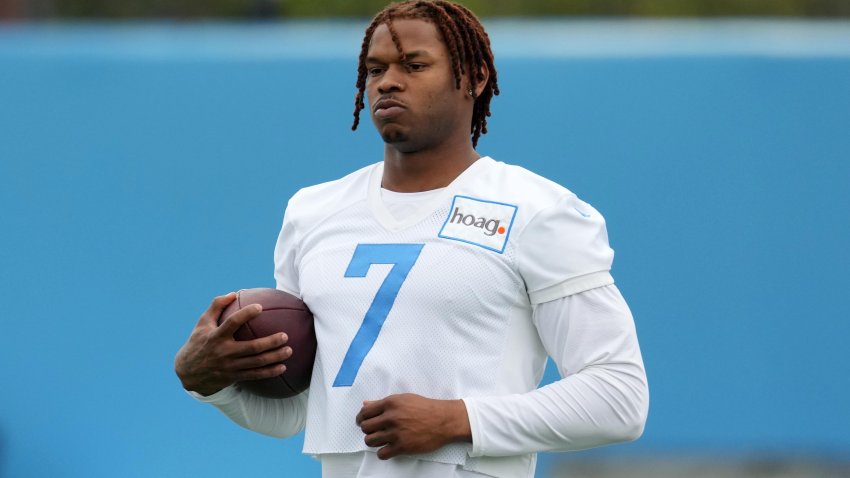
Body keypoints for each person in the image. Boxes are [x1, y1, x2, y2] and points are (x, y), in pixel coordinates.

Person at [174, 1, 649, 477]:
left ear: (476, 76)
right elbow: (298, 414)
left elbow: (619, 396)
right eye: (375, 69)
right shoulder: (312, 211)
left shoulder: (539, 211)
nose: (388, 81)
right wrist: (209, 383)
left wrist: (458, 419)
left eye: (414, 65)